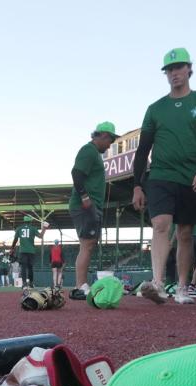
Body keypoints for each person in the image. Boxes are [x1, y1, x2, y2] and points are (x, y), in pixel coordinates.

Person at [132, 48, 196, 305]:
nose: (175, 73)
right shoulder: (155, 109)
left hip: (192, 177)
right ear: (166, 74)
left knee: (185, 232)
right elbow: (142, 150)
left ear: (189, 69)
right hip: (160, 174)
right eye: (170, 70)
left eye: (179, 67)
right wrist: (138, 186)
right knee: (161, 224)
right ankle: (158, 284)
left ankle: (182, 287)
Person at [68, 121, 118, 299]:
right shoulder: (88, 150)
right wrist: (84, 197)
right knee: (87, 245)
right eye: (110, 141)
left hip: (89, 205)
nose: (110, 145)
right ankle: (81, 286)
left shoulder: (93, 153)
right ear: (104, 136)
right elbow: (76, 173)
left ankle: (81, 285)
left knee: (88, 245)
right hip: (85, 205)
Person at [12, 216, 46, 287]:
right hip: (31, 251)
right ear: (30, 221)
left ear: (24, 221)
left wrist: (12, 248)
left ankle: (24, 283)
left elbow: (15, 240)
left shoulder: (19, 228)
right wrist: (44, 228)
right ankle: (31, 283)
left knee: (23, 267)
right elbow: (40, 236)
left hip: (22, 251)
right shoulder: (33, 228)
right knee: (30, 267)